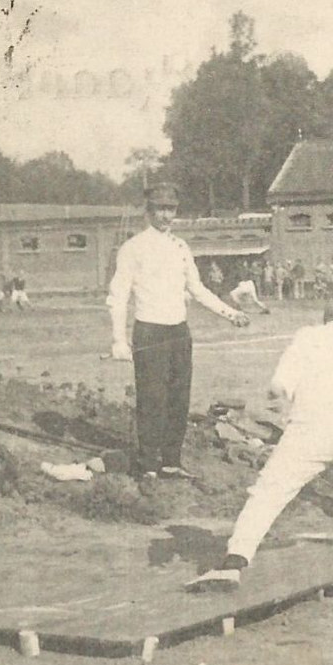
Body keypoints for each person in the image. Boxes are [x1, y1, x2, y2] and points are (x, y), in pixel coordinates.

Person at [188, 291, 333, 590]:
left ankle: (234, 563)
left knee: (268, 494)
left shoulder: (306, 337)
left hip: (311, 431)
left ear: (326, 315)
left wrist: (281, 400)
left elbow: (279, 384)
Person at [108, 183, 251, 479]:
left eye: (170, 209)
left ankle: (171, 461)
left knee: (178, 399)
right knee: (152, 400)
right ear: (148, 211)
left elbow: (197, 289)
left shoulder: (181, 247)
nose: (165, 215)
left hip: (178, 333)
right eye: (159, 208)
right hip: (149, 332)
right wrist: (118, 340)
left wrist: (230, 313)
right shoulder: (132, 248)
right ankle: (148, 465)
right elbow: (118, 296)